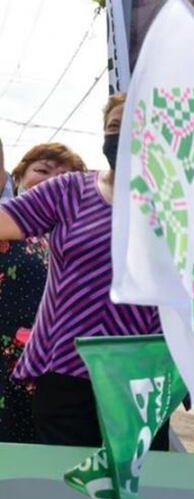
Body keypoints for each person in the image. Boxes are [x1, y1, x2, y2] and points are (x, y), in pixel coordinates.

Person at [0, 94, 167, 448]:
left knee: (135, 488)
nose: (122, 134)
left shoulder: (179, 203)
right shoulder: (70, 190)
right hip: (66, 369)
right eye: (114, 126)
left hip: (143, 376)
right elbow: (6, 222)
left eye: (135, 124)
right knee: (67, 491)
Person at [0, 144, 86, 443]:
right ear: (17, 176)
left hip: (56, 372)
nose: (53, 181)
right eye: (43, 170)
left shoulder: (82, 243)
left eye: (65, 177)